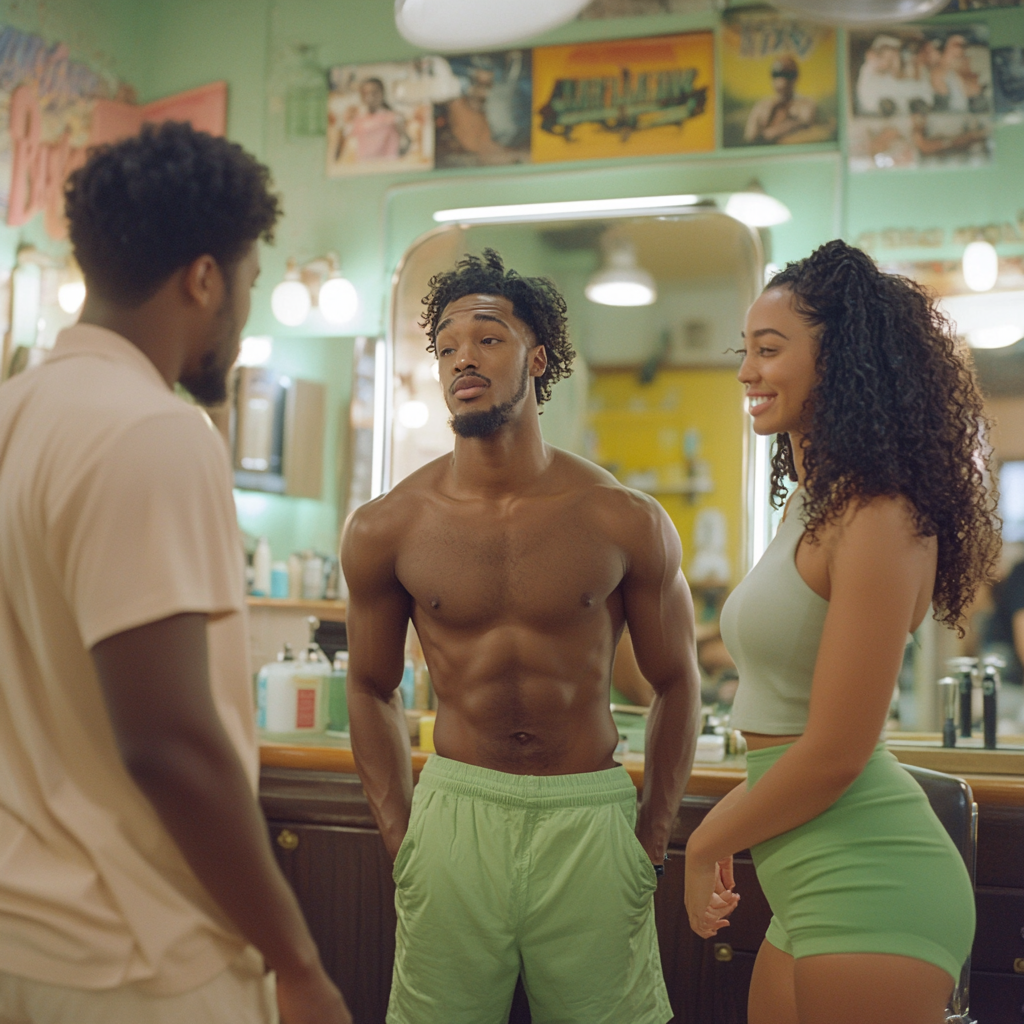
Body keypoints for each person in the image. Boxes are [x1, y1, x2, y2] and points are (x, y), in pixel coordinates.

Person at [0, 122, 350, 1024]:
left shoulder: (14, 414)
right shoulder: (154, 430)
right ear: (204, 278)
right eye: (247, 285)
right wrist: (297, 961)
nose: (242, 316)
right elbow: (169, 744)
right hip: (135, 959)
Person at [341, 249, 702, 1024]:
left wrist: (651, 838)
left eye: (487, 337)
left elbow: (678, 681)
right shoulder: (387, 526)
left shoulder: (623, 519)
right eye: (444, 345)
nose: (460, 357)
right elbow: (369, 686)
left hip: (591, 818)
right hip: (454, 816)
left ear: (537, 358)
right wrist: (402, 837)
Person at [684, 240, 998, 1024]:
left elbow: (836, 748)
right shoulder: (814, 502)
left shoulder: (880, 513)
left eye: (770, 350)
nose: (747, 372)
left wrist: (705, 838)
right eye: (744, 351)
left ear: (842, 360)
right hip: (806, 876)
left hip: (874, 881)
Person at [743, 56, 818, 145]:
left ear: (794, 78)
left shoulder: (805, 104)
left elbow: (806, 122)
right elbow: (750, 136)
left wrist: (776, 130)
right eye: (776, 76)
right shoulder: (762, 106)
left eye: (787, 76)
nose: (781, 83)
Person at [336, 77, 406, 163]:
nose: (369, 97)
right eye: (365, 94)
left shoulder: (394, 118)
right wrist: (346, 121)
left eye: (374, 93)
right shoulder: (358, 120)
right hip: (364, 167)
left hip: (387, 166)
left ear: (382, 93)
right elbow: (344, 141)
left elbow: (405, 142)